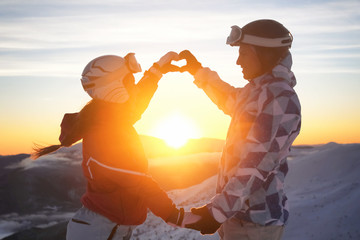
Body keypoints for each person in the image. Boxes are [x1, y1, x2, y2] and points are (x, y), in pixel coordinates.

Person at [32, 52, 199, 239]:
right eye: (128, 81)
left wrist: (157, 71)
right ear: (114, 87)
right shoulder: (104, 133)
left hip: (104, 227)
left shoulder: (109, 117)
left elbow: (136, 102)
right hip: (99, 232)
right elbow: (137, 181)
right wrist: (175, 216)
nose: (132, 86)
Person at [180, 19, 301, 240]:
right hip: (238, 216)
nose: (237, 61)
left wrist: (216, 212)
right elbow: (229, 98)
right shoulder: (258, 91)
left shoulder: (279, 99)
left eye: (244, 53)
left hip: (256, 224)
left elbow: (255, 165)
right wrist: (197, 71)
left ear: (264, 54)